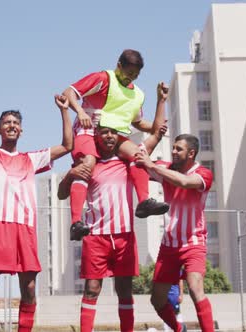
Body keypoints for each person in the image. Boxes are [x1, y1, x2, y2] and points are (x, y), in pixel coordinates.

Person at [0, 66, 73, 332]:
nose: (12, 125)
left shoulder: (30, 159)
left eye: (16, 123)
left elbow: (67, 145)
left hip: (24, 227)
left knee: (29, 289)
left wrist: (64, 110)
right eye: (7, 122)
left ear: (21, 131)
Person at [58, 82, 168, 332]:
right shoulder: (87, 165)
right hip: (96, 236)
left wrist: (161, 100)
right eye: (104, 131)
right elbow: (62, 193)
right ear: (96, 135)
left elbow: (156, 133)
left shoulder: (126, 161)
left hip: (124, 235)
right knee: (92, 289)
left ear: (118, 136)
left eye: (113, 133)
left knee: (124, 290)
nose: (108, 136)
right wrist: (69, 174)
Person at [63, 49, 169, 241]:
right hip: (89, 129)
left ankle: (144, 201)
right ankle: (76, 222)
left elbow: (140, 124)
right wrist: (79, 111)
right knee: (87, 164)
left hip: (112, 132)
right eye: (128, 74)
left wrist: (161, 101)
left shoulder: (136, 94)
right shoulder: (102, 79)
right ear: (118, 66)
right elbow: (69, 92)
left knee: (139, 155)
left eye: (135, 76)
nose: (131, 78)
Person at [135, 134, 215, 332]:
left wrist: (152, 166)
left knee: (196, 288)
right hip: (169, 245)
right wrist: (155, 131)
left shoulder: (204, 173)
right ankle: (179, 330)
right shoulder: (166, 169)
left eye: (178, 149)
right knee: (157, 299)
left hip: (193, 242)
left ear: (191, 153)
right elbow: (139, 158)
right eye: (173, 147)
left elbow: (186, 182)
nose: (173, 151)